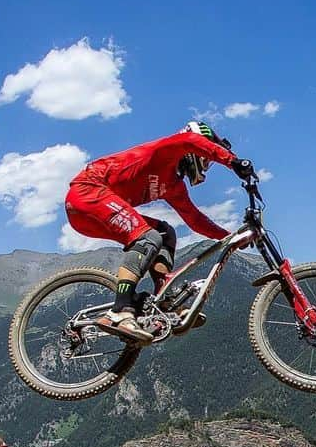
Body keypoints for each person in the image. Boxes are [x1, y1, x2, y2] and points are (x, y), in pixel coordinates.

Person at [64, 121, 257, 344]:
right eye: (205, 156)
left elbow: (194, 220)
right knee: (148, 237)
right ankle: (119, 311)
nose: (206, 163)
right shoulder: (168, 149)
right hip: (88, 193)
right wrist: (232, 161)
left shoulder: (174, 185)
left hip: (96, 212)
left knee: (165, 233)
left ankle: (163, 298)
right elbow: (189, 141)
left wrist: (229, 237)